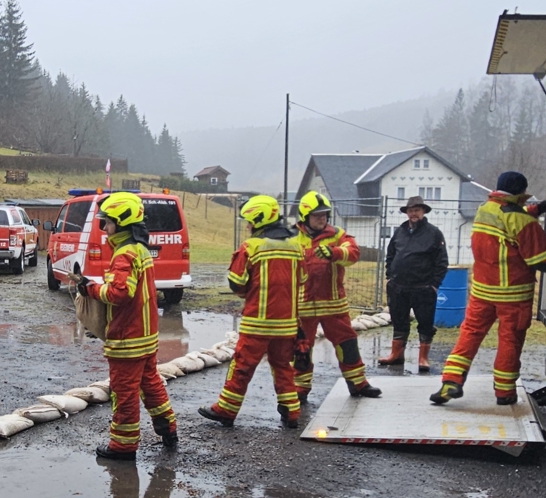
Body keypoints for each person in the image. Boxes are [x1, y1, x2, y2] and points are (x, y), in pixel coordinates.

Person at [434, 171, 546, 407]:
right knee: (510, 340)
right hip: (513, 295)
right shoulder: (524, 223)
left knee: (470, 334)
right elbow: (542, 260)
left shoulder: (485, 209)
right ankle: (504, 393)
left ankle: (451, 381)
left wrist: (538, 208)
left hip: (482, 291)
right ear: (522, 193)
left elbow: (507, 221)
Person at [76, 192, 177, 461]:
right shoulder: (141, 250)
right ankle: (168, 428)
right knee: (151, 383)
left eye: (107, 223)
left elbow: (120, 294)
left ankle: (123, 445)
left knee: (124, 391)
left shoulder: (124, 255)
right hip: (145, 336)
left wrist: (91, 289)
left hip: (127, 339)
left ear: (121, 223)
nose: (104, 229)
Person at [198, 195, 304, 429]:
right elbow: (302, 279)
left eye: (249, 221)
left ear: (259, 219)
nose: (247, 226)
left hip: (257, 322)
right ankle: (291, 412)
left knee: (242, 366)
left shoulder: (252, 247)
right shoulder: (297, 246)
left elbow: (236, 282)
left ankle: (226, 409)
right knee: (283, 366)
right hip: (287, 324)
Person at [293, 191, 381, 401]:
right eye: (316, 215)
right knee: (300, 348)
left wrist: (334, 253)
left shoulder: (338, 235)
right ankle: (299, 389)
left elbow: (353, 252)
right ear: (305, 217)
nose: (321, 218)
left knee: (347, 343)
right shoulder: (292, 239)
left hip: (333, 304)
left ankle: (358, 383)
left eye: (324, 214)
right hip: (302, 306)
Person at [378, 195, 447, 374]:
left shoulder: (434, 233)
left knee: (425, 323)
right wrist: (389, 276)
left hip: (423, 288)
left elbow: (441, 262)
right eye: (410, 210)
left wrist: (434, 284)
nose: (413, 213)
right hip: (398, 287)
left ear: (423, 211)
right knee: (399, 321)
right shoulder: (399, 231)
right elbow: (391, 254)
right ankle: (396, 354)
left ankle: (423, 358)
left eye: (417, 210)